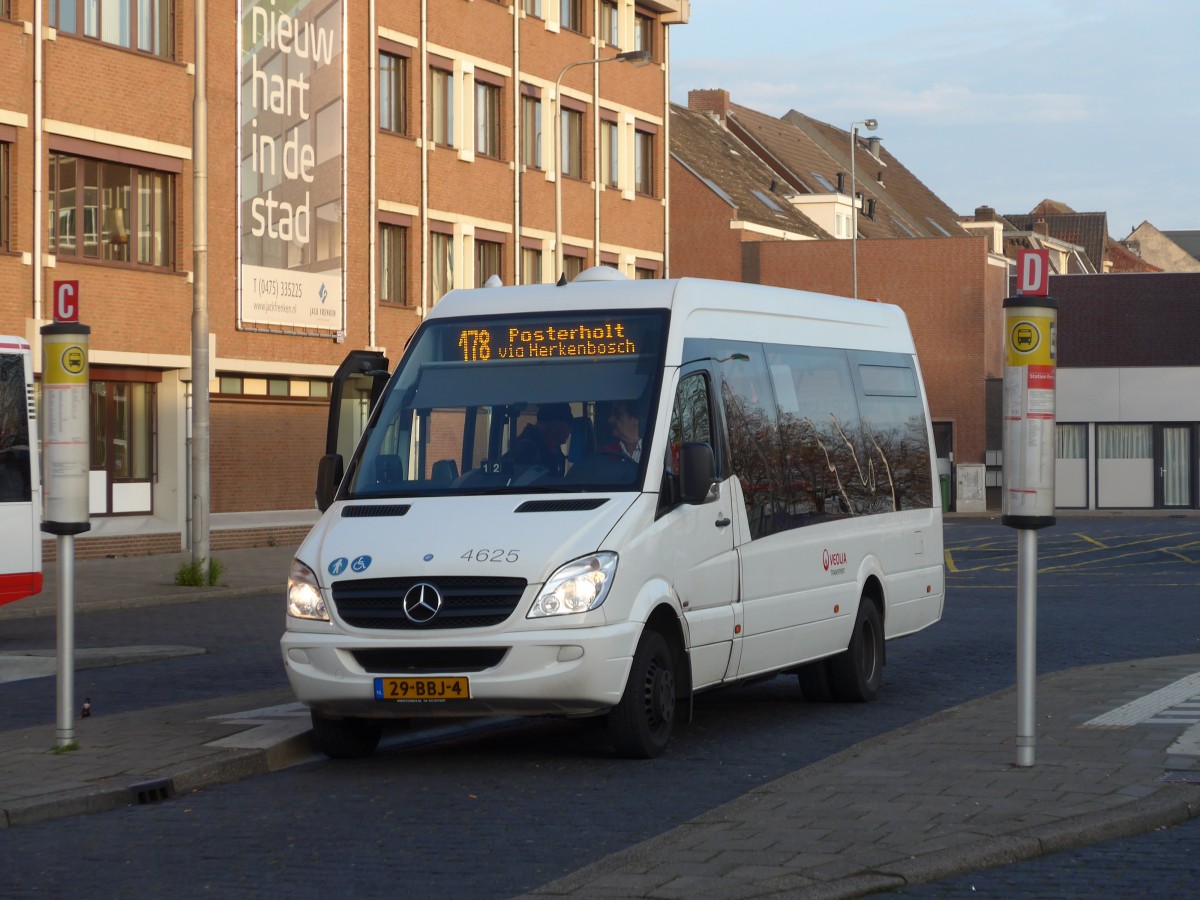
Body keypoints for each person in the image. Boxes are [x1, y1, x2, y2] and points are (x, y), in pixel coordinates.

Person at [504, 403, 573, 475]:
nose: (570, 430)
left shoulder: (550, 448)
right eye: (568, 424)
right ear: (555, 425)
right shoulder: (527, 450)